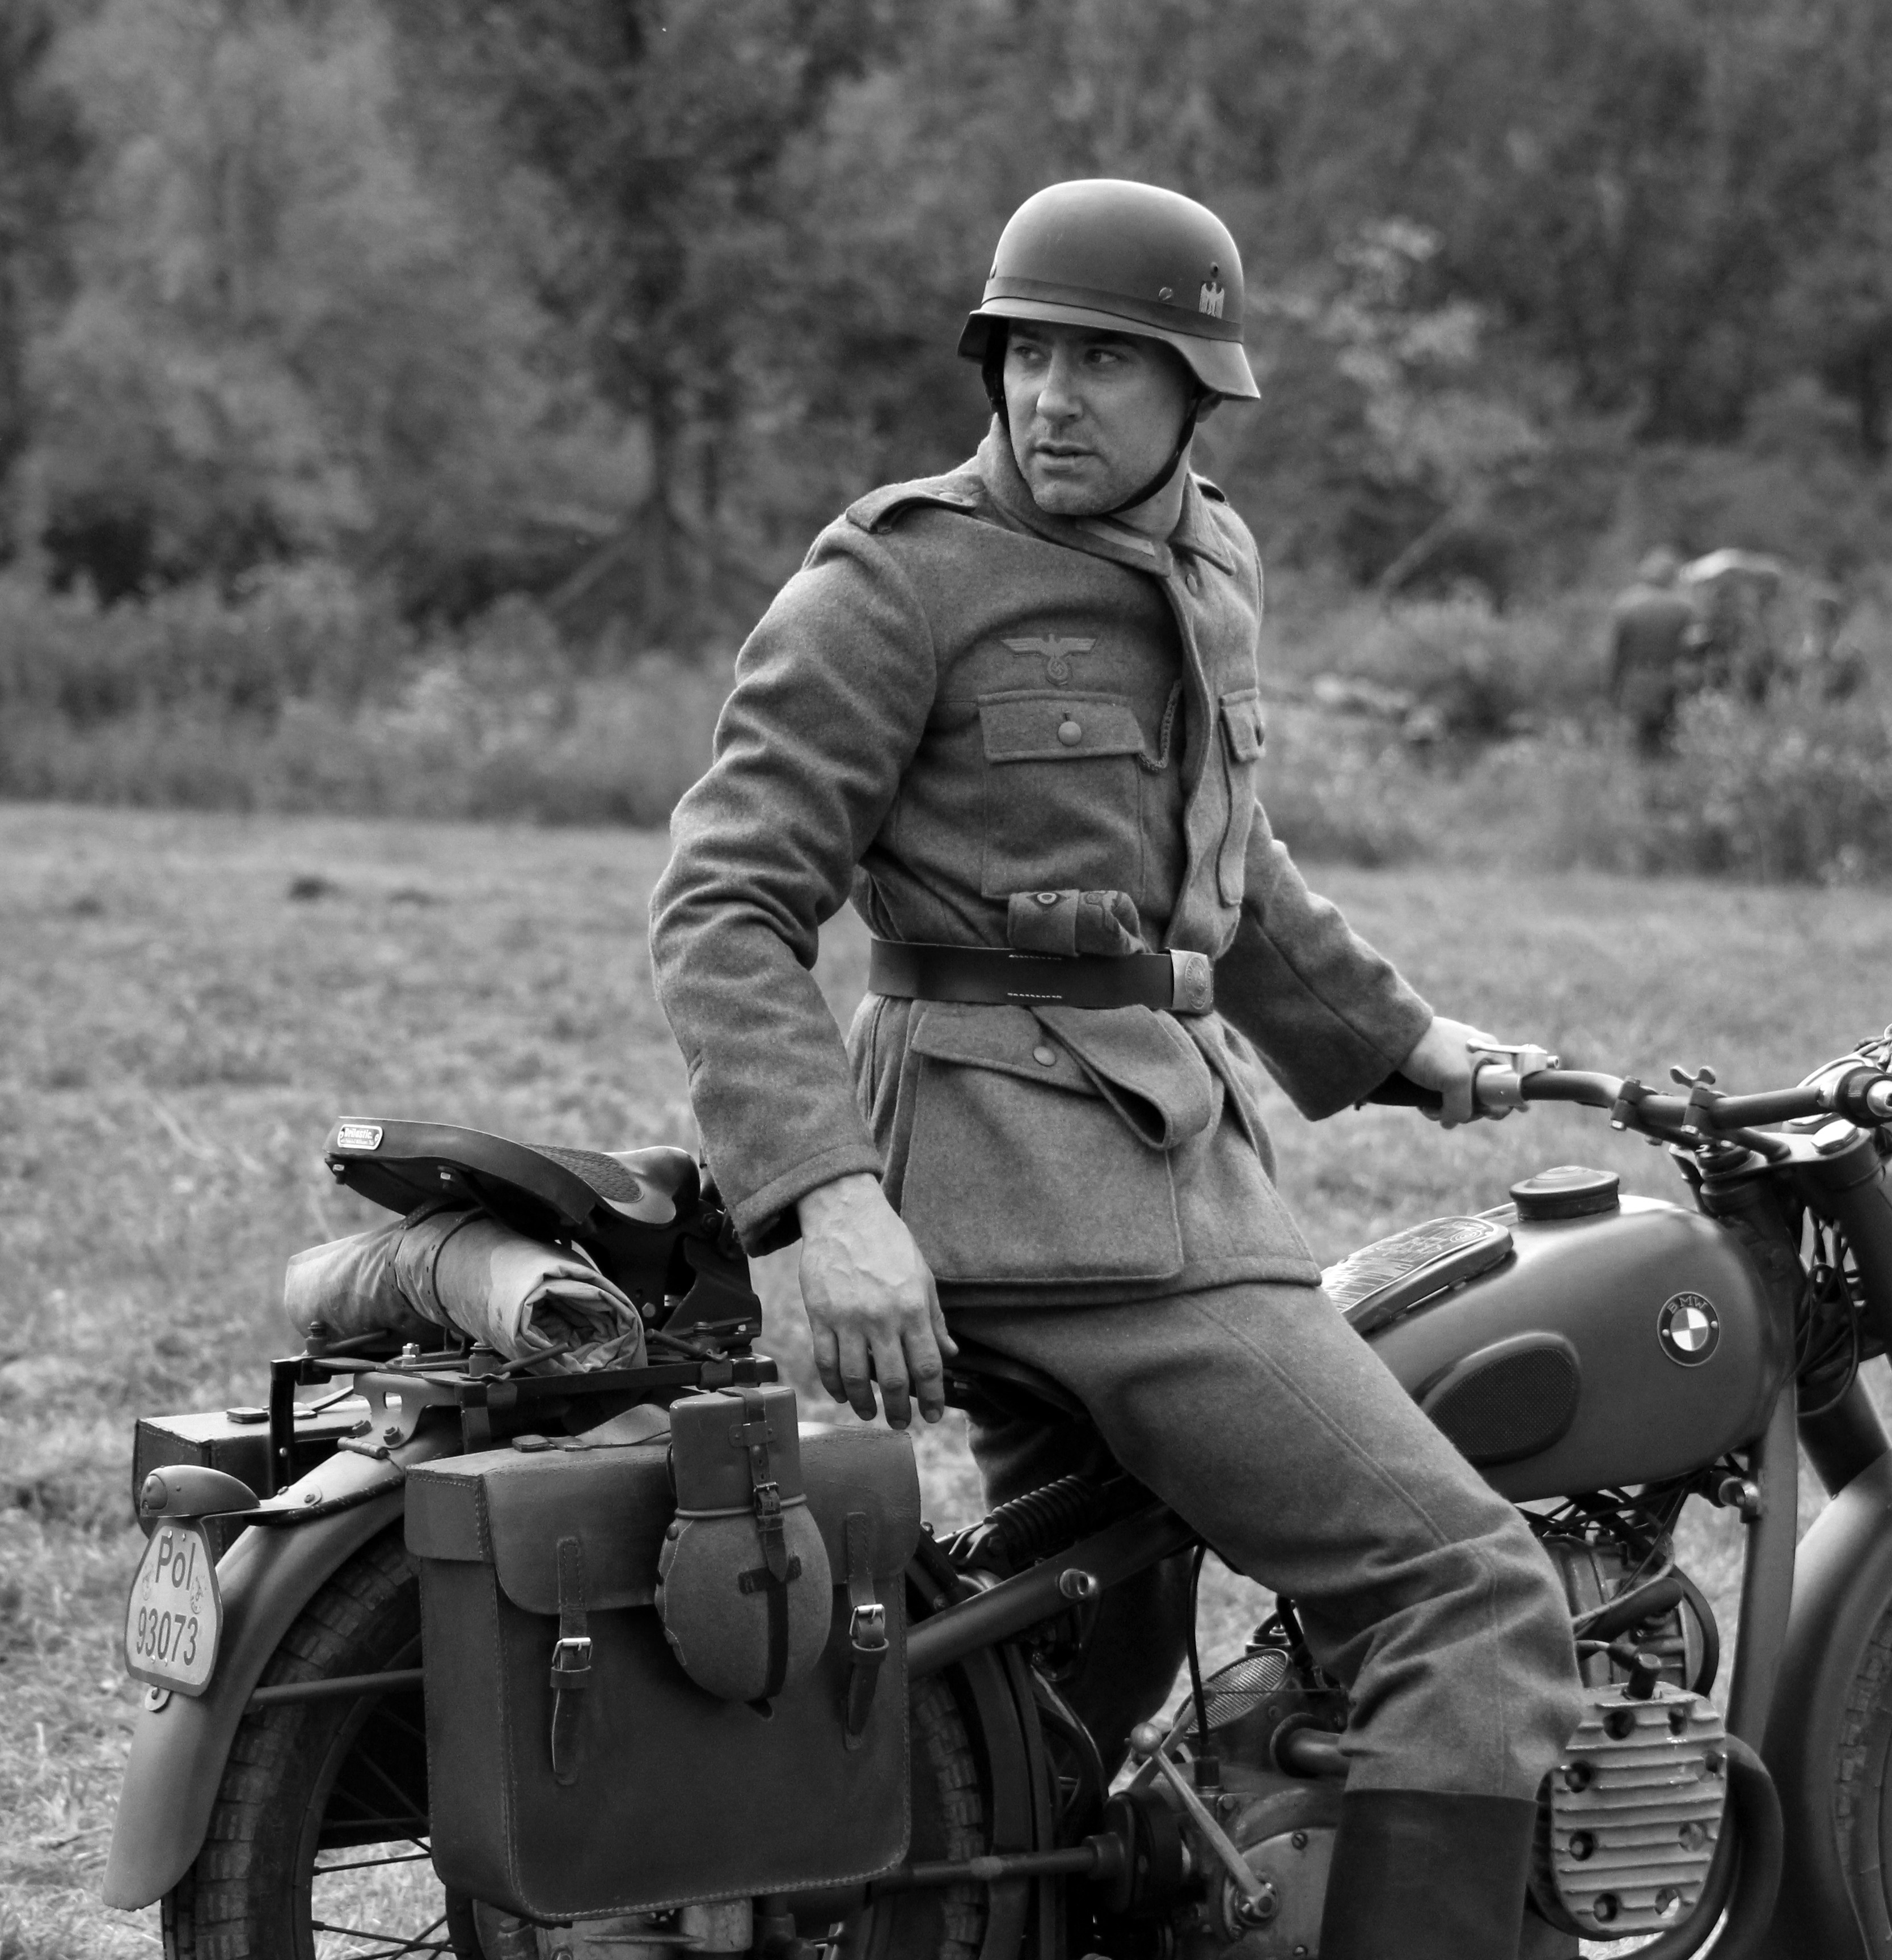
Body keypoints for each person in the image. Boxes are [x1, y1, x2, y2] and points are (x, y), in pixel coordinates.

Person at [648, 178, 1584, 1960]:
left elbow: (1221, 861)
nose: (1051, 397)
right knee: (1469, 1595)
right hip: (1042, 1212)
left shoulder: (1211, 558)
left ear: (1196, 390)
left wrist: (1398, 1039)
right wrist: (825, 1202)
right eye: (1027, 355)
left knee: (1098, 1640)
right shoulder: (899, 576)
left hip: (1161, 1163)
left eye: (1103, 360)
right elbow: (723, 903)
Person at [1606, 546, 1699, 753]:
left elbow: (1618, 653)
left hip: (1636, 680)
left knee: (1639, 743)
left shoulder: (1625, 604)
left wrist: (1613, 687)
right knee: (1668, 741)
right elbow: (1691, 650)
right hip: (1671, 678)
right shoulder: (1683, 607)